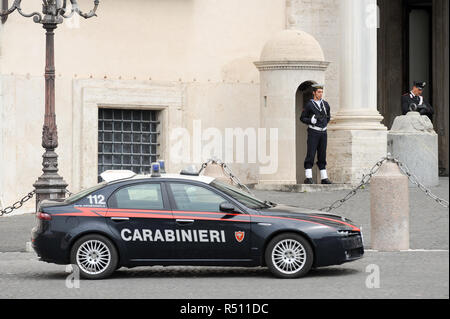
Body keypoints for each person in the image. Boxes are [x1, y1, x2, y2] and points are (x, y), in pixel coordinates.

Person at [300, 84, 332, 185]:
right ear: (314, 93)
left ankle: (324, 178)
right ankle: (308, 177)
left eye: (321, 92)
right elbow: (302, 118)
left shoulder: (325, 104)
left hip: (323, 132)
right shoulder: (309, 104)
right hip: (313, 132)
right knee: (311, 153)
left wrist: (323, 124)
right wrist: (311, 121)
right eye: (318, 92)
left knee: (322, 154)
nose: (320, 94)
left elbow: (328, 117)